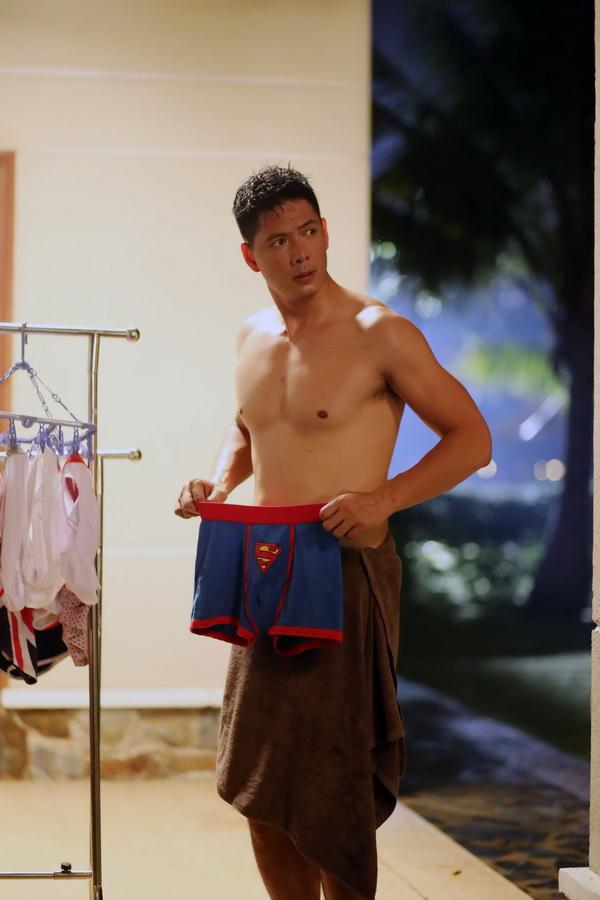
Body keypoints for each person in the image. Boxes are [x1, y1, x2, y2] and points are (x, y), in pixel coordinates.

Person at [175, 164, 492, 900]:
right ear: (251, 255)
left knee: (335, 793)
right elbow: (248, 424)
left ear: (326, 232)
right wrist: (219, 484)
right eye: (279, 241)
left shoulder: (381, 333)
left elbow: (472, 438)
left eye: (309, 231)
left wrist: (385, 499)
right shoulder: (252, 335)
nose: (299, 252)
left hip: (344, 573)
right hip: (262, 569)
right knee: (259, 786)